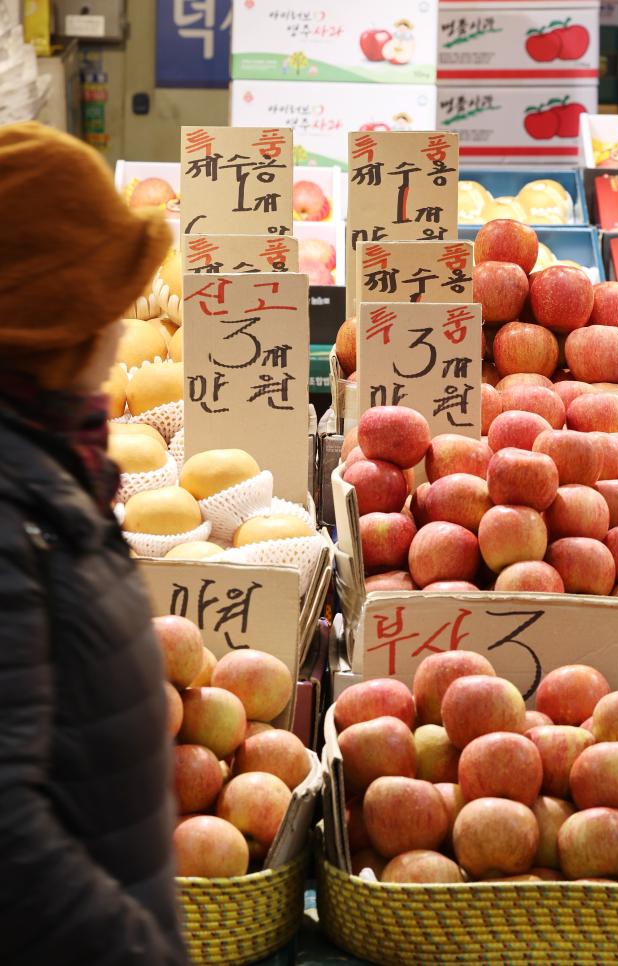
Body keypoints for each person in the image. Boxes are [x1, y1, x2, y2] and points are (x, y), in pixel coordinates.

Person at [0, 122, 189, 965]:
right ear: (53, 323)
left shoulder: (50, 469)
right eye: (103, 294)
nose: (122, 319)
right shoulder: (16, 499)